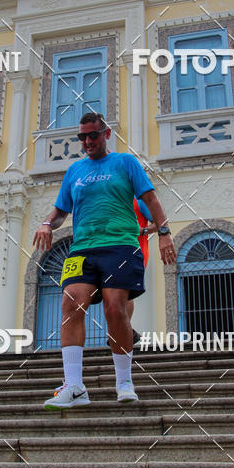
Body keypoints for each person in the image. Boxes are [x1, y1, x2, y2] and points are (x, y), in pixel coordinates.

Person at [33, 112, 176, 408]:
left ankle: (124, 380)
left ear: (106, 134)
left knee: (115, 308)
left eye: (93, 136)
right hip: (82, 247)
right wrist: (47, 223)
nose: (87, 142)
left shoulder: (125, 163)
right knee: (70, 304)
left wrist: (164, 233)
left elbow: (150, 199)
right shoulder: (74, 171)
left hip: (120, 246)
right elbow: (61, 211)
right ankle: (74, 386)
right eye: (82, 137)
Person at [128, 197, 156, 345]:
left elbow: (159, 223)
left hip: (134, 252)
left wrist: (143, 230)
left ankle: (124, 329)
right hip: (110, 250)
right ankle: (124, 329)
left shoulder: (139, 200)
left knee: (123, 291)